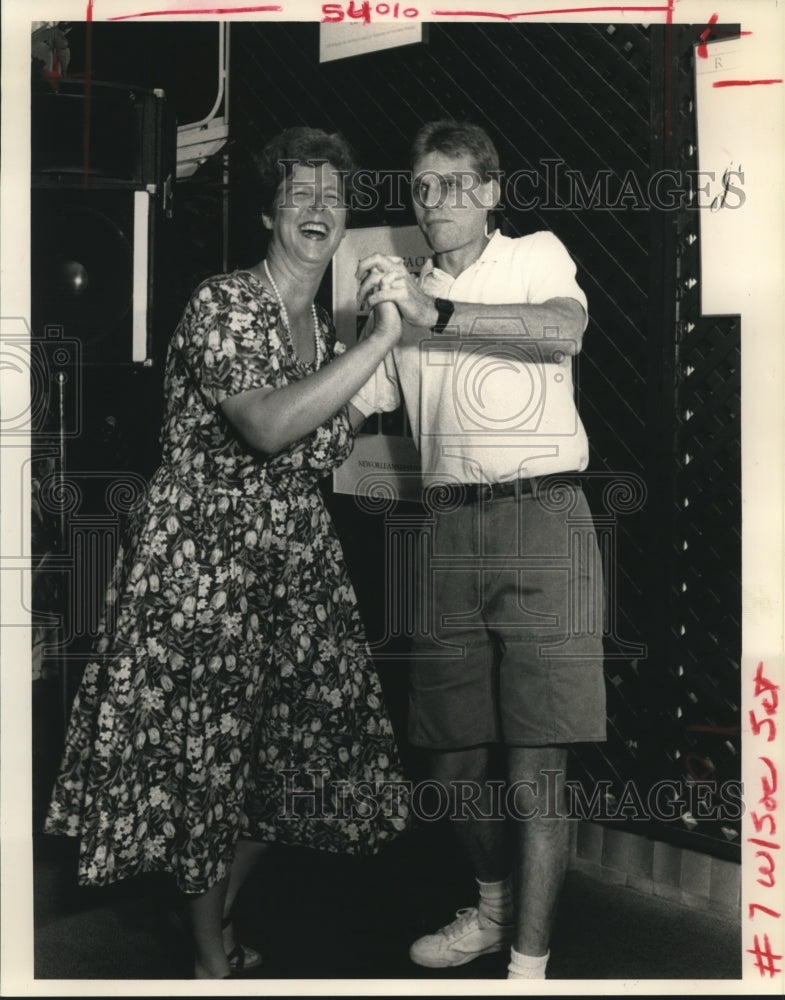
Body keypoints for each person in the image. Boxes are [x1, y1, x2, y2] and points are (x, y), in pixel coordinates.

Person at [44, 126, 410, 980]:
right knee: (204, 766)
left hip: (290, 565)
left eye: (333, 196)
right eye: (299, 195)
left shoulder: (321, 327)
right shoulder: (224, 302)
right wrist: (382, 343)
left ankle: (211, 917)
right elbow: (267, 423)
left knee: (291, 765)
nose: (318, 209)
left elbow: (315, 446)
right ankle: (212, 957)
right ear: (267, 213)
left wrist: (369, 388)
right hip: (200, 568)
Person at [350, 120, 607, 980]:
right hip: (445, 532)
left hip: (543, 520)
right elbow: (354, 403)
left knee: (537, 765)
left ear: (490, 193)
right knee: (451, 761)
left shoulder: (534, 252)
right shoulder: (405, 295)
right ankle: (494, 910)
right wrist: (360, 326)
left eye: (454, 184)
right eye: (422, 188)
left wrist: (438, 314)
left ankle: (527, 970)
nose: (435, 203)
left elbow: (562, 330)